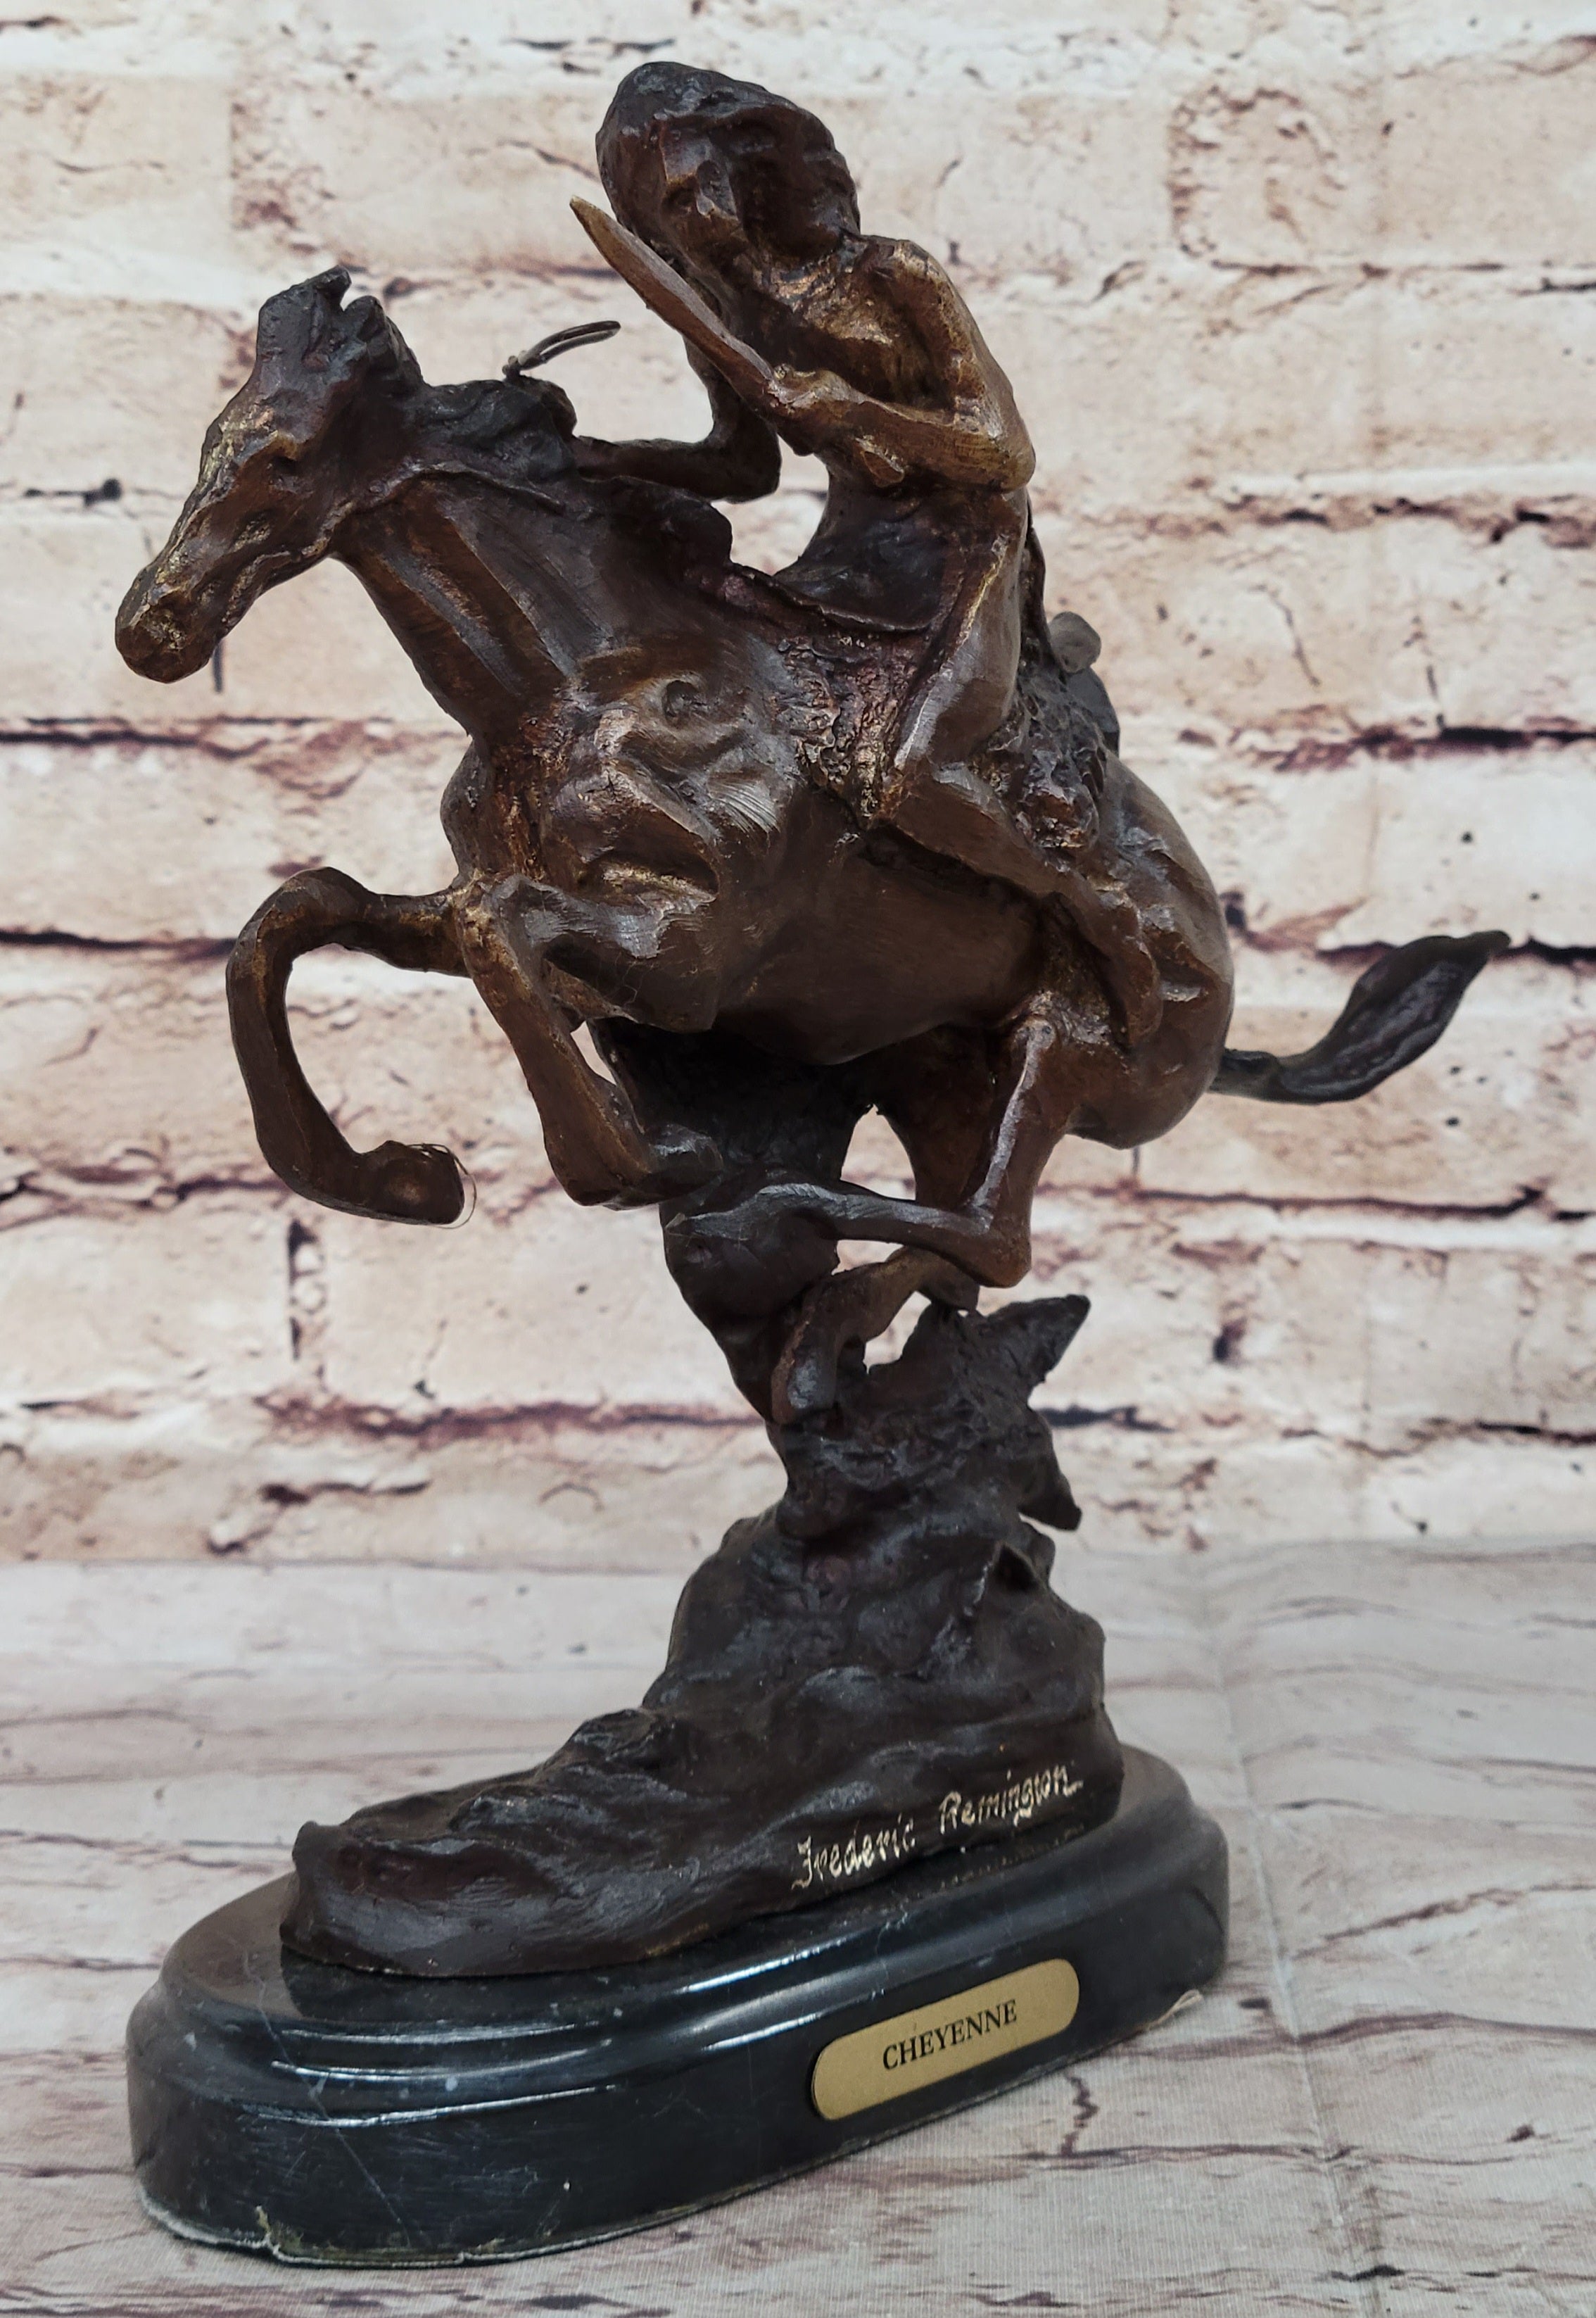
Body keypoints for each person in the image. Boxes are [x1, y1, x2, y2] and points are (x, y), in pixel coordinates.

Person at [578, 63, 1165, 1046]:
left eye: (696, 187)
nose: (692, 219)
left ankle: (1090, 909)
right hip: (852, 552)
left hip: (962, 552)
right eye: (664, 209)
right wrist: (605, 458)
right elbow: (741, 464)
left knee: (903, 769)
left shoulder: (890, 277)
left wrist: (853, 410)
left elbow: (1002, 451)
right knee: (756, 727)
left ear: (749, 165)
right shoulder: (726, 319)